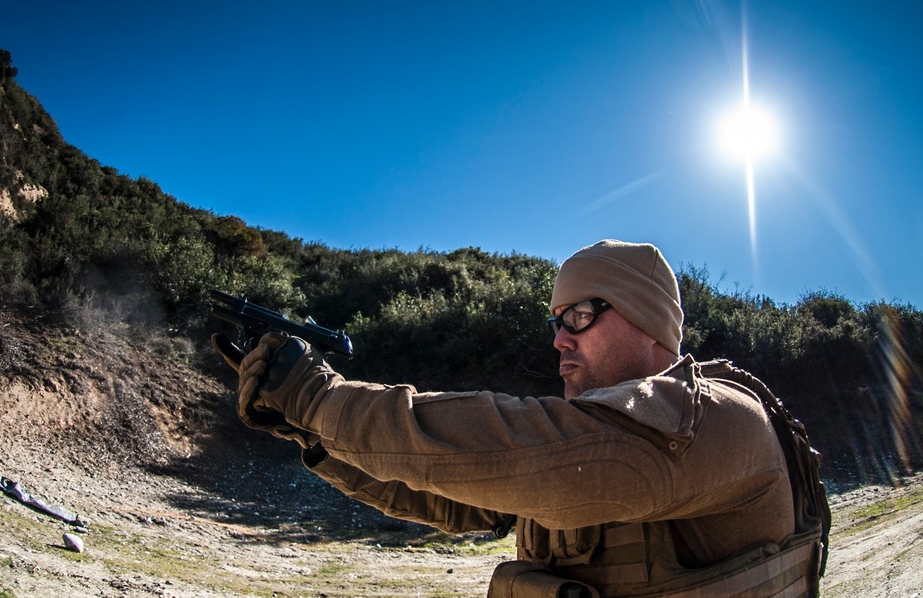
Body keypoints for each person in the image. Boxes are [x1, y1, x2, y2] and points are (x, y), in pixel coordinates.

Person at [213, 239, 828, 598]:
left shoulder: (714, 417)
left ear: (648, 323)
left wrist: (324, 400)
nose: (559, 339)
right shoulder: (598, 431)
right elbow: (455, 500)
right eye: (555, 320)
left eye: (580, 314)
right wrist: (314, 433)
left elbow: (539, 456)